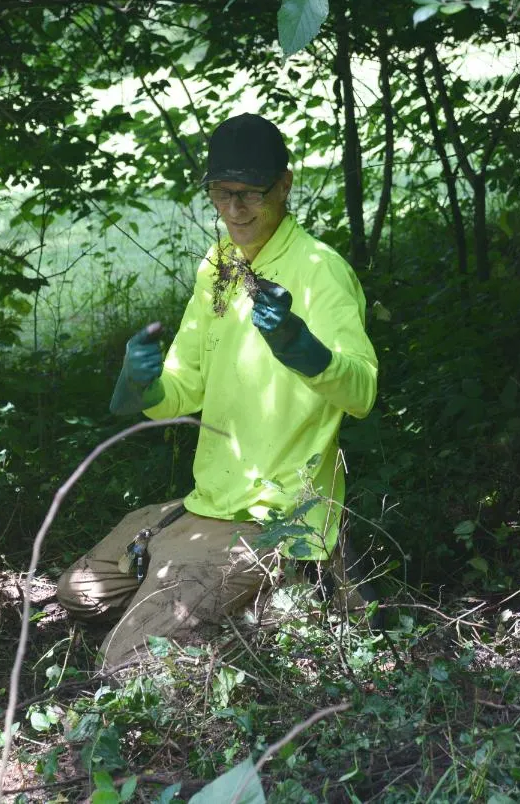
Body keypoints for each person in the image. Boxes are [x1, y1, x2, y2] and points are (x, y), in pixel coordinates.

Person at [57, 113, 378, 670]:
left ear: (284, 185)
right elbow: (183, 389)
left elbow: (362, 391)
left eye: (249, 192)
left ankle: (283, 606)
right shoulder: (221, 265)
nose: (234, 209)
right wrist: (142, 383)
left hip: (273, 513)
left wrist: (303, 349)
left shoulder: (320, 271)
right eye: (220, 193)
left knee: (124, 661)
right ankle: (236, 605)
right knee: (79, 593)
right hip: (208, 501)